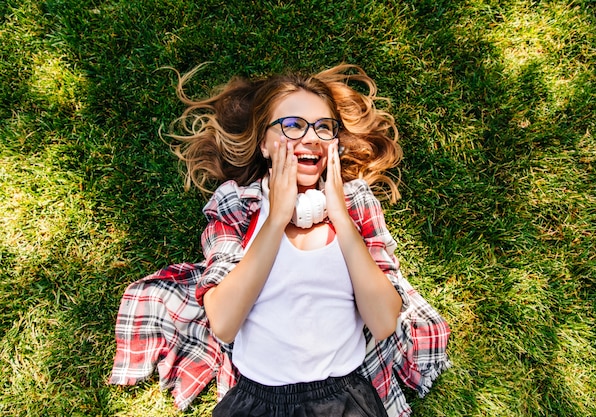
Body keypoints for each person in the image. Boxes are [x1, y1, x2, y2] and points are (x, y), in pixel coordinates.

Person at [110, 64, 451, 417]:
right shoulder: (238, 208)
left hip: (344, 397)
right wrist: (274, 221)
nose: (311, 137)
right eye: (292, 125)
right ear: (264, 144)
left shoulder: (356, 204)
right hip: (255, 401)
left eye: (323, 127)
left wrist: (340, 215)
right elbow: (224, 323)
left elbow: (382, 322)